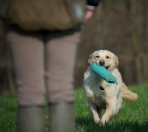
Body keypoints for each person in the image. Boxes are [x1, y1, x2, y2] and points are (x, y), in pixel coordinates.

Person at [0, 0, 101, 131]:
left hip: (19, 9)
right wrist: (92, 4)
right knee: (61, 89)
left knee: (29, 91)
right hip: (65, 11)